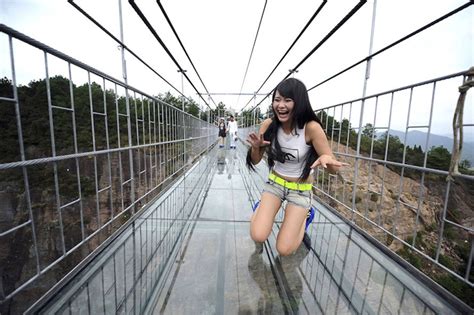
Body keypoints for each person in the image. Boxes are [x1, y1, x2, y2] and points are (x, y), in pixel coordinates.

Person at [246, 78, 346, 256]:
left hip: (300, 190)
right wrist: (256, 148)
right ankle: (261, 207)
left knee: (284, 250)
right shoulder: (269, 125)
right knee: (258, 235)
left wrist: (326, 158)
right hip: (274, 184)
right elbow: (254, 161)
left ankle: (306, 216)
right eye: (277, 100)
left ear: (299, 102)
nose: (280, 105)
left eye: (287, 100)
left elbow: (334, 169)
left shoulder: (311, 128)